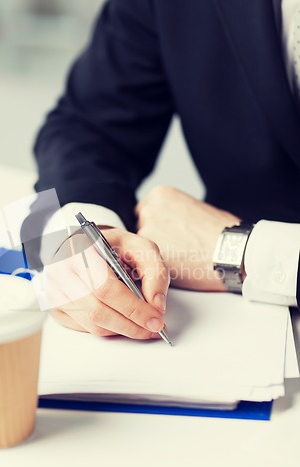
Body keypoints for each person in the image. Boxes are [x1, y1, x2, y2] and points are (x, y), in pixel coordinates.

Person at [31, 0, 300, 340]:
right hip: (232, 320)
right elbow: (87, 124)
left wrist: (246, 252)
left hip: (215, 274)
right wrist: (82, 231)